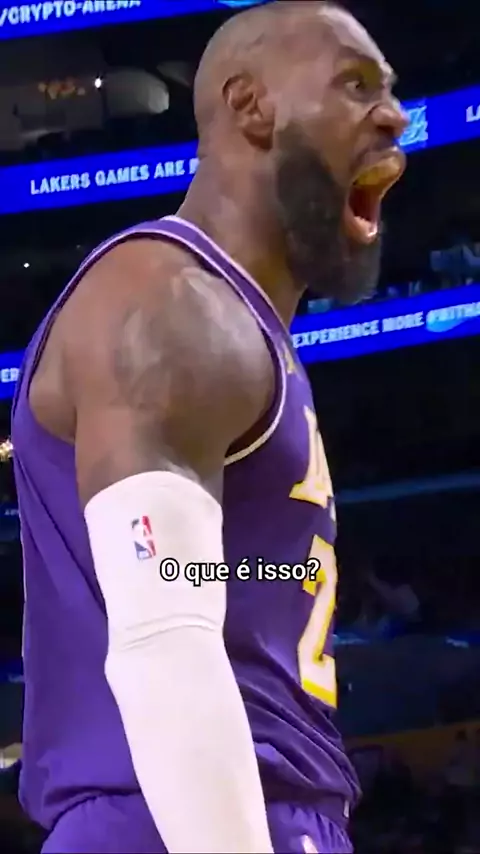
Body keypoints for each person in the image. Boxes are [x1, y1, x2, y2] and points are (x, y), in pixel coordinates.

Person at [11, 2, 407, 852]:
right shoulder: (168, 303)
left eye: (391, 89)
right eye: (355, 84)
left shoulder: (235, 323)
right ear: (251, 106)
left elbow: (214, 579)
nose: (394, 116)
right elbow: (166, 646)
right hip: (172, 817)